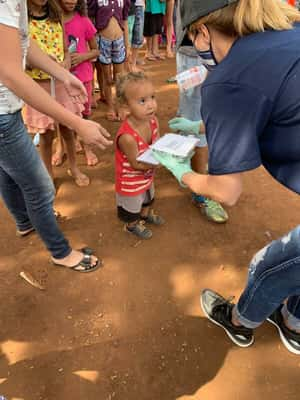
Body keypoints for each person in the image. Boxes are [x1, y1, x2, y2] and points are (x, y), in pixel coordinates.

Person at [152, 0, 300, 354]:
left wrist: (184, 174)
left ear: (202, 30)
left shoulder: (226, 78)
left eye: (195, 39)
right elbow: (265, 102)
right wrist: (206, 127)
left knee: (270, 265)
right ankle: (294, 319)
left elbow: (226, 190)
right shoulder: (290, 33)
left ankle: (240, 321)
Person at [0, 0, 112, 272]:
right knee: (40, 187)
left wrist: (62, 75)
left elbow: (23, 42)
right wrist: (77, 123)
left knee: (7, 171)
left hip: (6, 107)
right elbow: (11, 74)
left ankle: (25, 223)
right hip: (3, 114)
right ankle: (60, 252)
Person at [168, 0, 228, 224]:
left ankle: (191, 162)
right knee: (197, 117)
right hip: (197, 50)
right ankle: (201, 191)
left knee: (207, 115)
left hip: (220, 47)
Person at [24, 0, 90, 187]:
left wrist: (67, 61)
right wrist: (38, 62)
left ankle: (74, 167)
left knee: (69, 129)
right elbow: (20, 55)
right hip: (38, 86)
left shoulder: (56, 13)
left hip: (61, 83)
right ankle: (48, 175)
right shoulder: (22, 19)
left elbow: (65, 48)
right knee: (46, 136)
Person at [115, 72, 164, 239]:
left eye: (152, 97)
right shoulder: (127, 137)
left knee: (148, 198)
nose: (151, 105)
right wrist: (160, 162)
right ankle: (132, 225)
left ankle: (145, 216)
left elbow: (156, 144)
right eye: (142, 101)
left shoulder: (153, 121)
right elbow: (136, 164)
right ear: (126, 107)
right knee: (132, 207)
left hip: (147, 174)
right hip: (131, 181)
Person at [60, 0, 100, 167]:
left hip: (83, 79)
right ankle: (61, 146)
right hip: (61, 80)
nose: (71, 1)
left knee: (84, 113)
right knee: (61, 116)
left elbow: (96, 50)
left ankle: (87, 147)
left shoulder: (84, 20)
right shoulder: (53, 22)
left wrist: (83, 57)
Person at [87, 0, 131, 121]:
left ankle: (120, 106)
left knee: (119, 77)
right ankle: (110, 107)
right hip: (103, 40)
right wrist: (91, 44)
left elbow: (125, 21)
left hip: (119, 40)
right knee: (107, 77)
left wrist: (127, 45)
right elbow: (90, 20)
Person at [127, 0, 145, 72]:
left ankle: (133, 65)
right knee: (127, 36)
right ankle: (127, 65)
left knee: (138, 36)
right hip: (128, 5)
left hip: (139, 5)